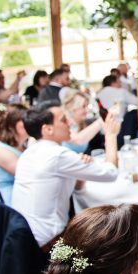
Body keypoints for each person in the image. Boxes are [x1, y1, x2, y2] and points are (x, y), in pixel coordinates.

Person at [12, 100, 120, 249]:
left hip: (24, 236)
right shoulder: (57, 155)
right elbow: (111, 173)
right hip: (49, 242)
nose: (69, 122)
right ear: (48, 129)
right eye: (63, 120)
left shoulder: (31, 151)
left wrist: (80, 170)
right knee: (109, 237)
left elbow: (77, 188)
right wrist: (111, 134)